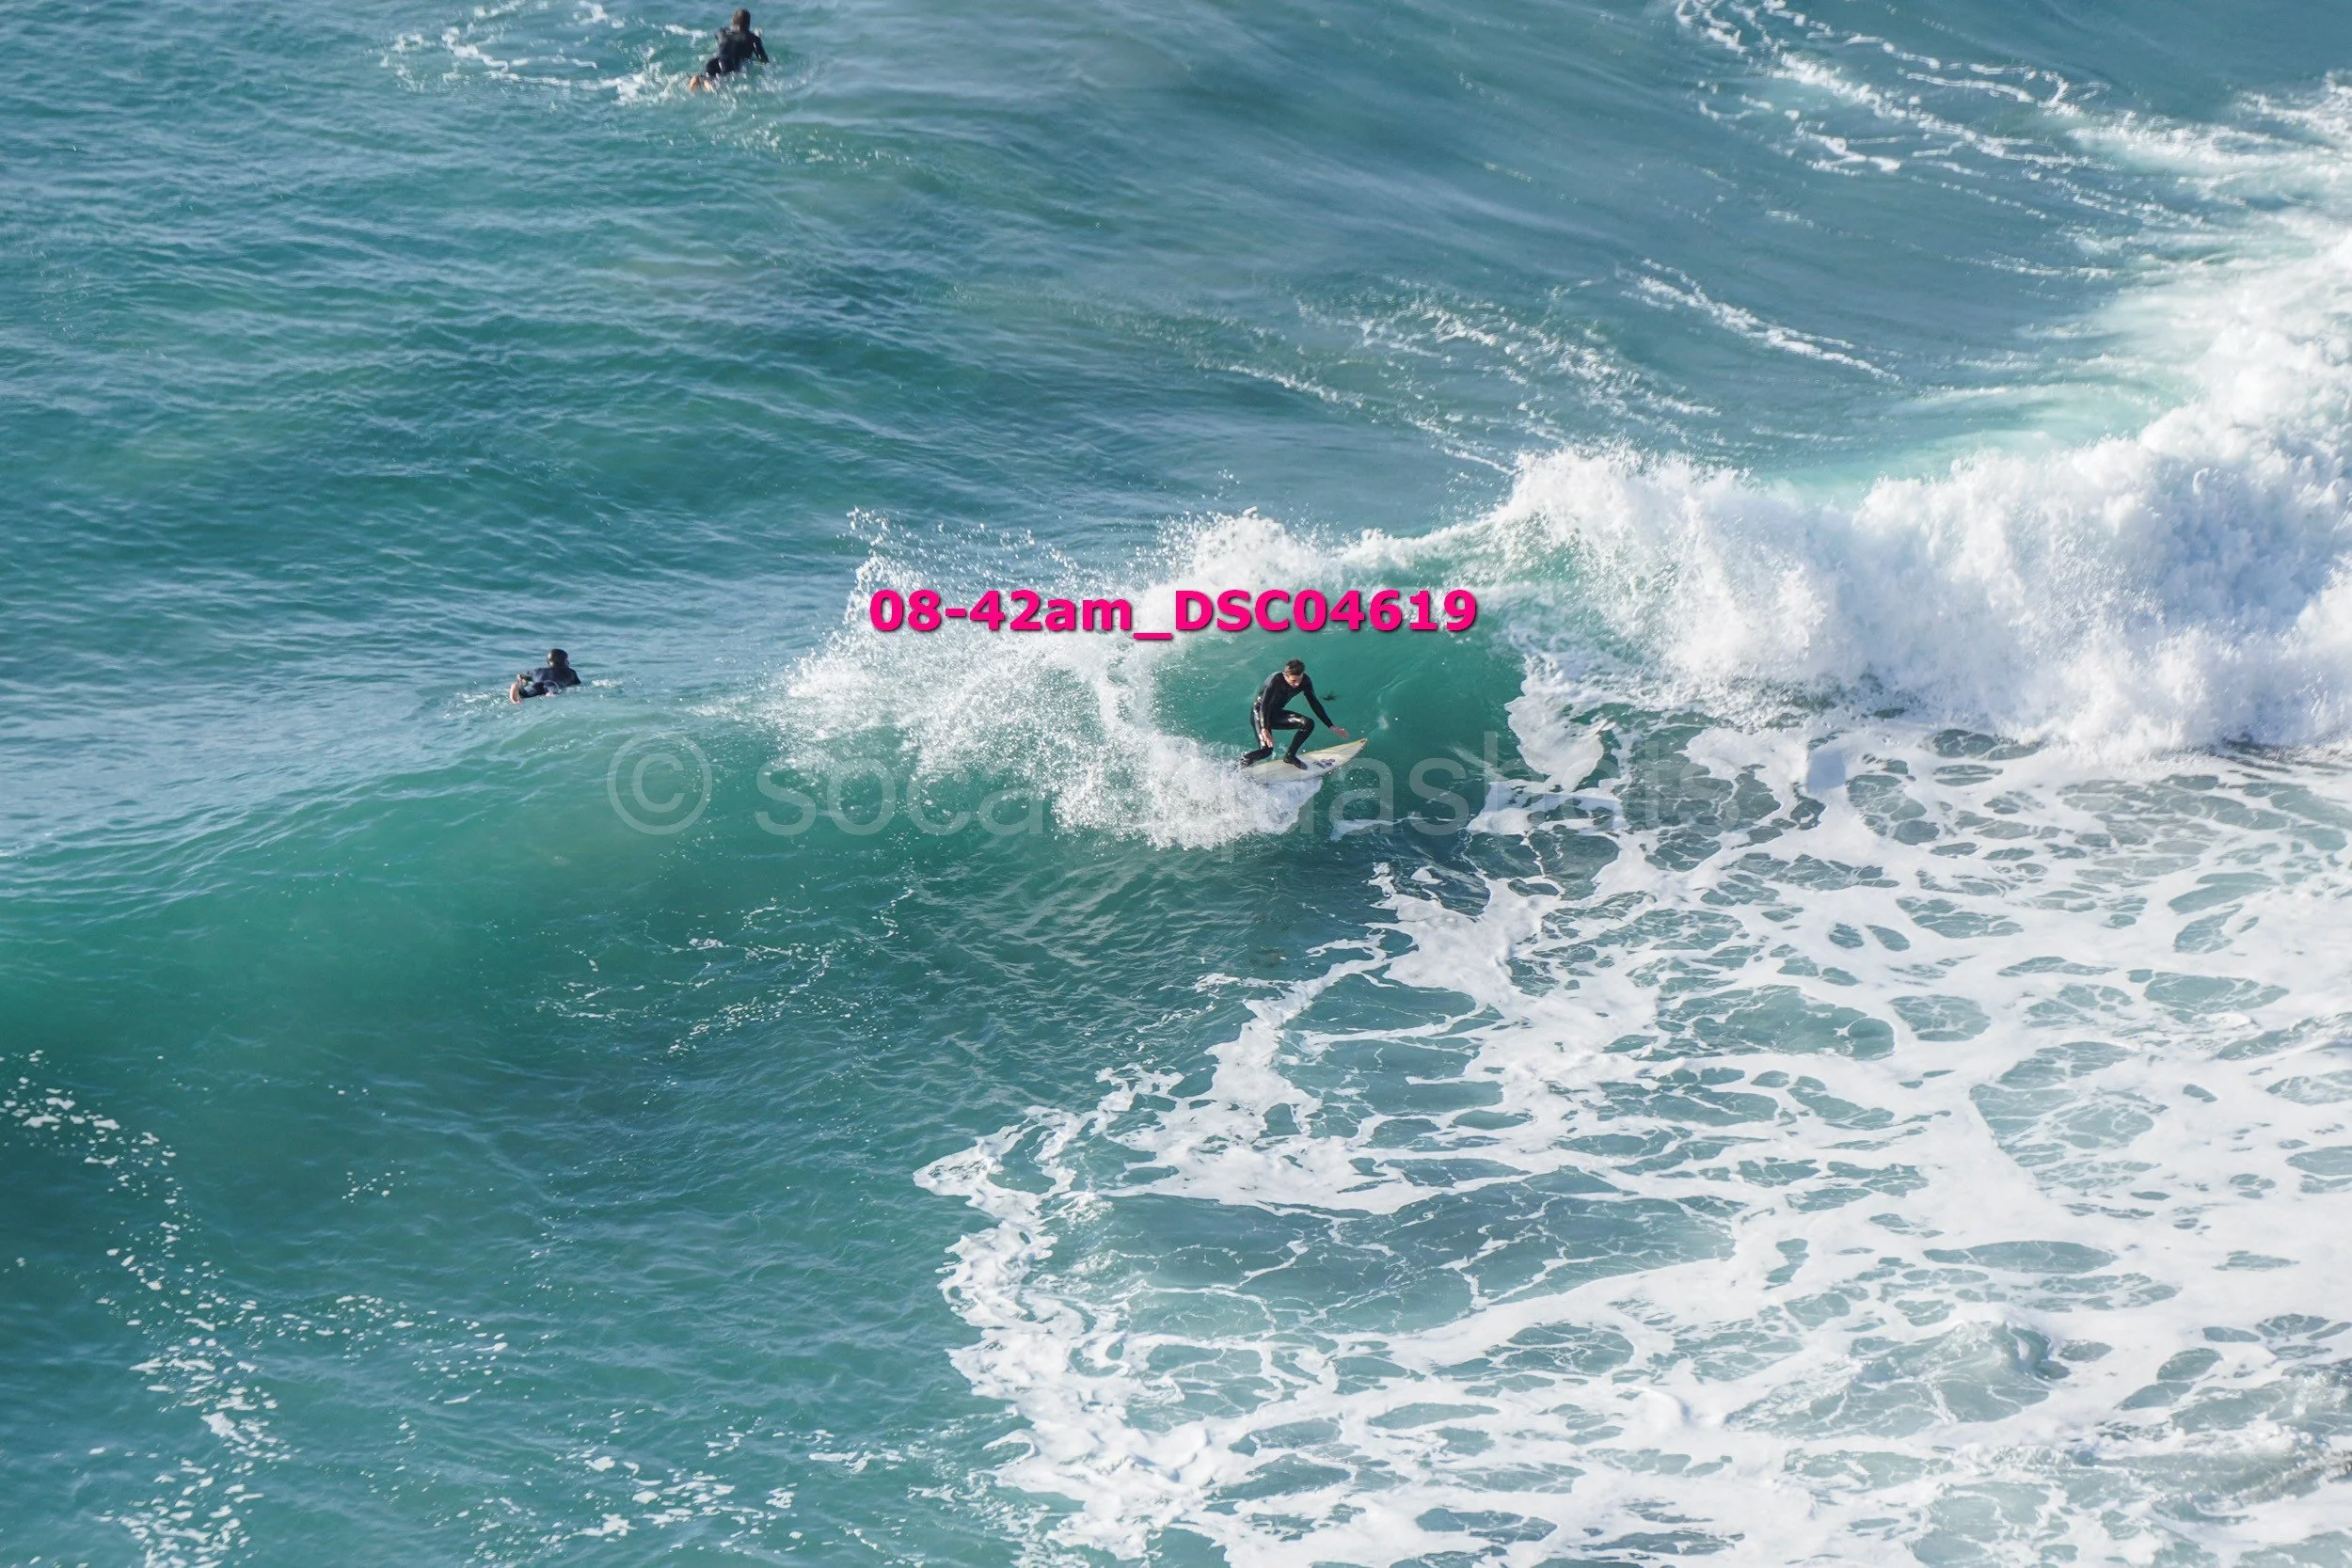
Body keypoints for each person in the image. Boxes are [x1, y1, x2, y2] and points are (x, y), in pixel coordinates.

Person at [1242, 658, 1346, 767]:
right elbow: (1265, 704)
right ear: (1285, 675)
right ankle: (1236, 767)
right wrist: (1264, 728)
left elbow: (1314, 703)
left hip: (1276, 713)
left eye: (1299, 679)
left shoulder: (1305, 681)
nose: (1297, 684)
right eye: (1293, 681)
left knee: (1308, 724)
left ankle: (1290, 756)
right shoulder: (1275, 680)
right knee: (1266, 751)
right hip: (1260, 713)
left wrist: (1331, 725)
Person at [691, 9, 768, 88]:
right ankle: (708, 84)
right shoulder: (753, 38)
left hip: (713, 61)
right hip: (729, 63)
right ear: (748, 23)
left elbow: (717, 34)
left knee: (706, 76)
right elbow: (763, 59)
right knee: (717, 85)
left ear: (732, 21)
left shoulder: (722, 32)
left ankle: (698, 79)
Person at [510, 649, 581, 703]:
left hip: (538, 685)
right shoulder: (570, 672)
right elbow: (577, 685)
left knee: (526, 694)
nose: (568, 662)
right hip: (551, 684)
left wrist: (522, 681)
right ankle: (550, 694)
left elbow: (521, 675)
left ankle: (517, 688)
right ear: (561, 661)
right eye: (566, 659)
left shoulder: (537, 671)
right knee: (553, 692)